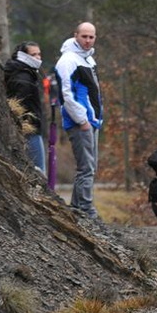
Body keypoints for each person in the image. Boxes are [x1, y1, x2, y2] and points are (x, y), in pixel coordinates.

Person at [55, 22, 101, 219]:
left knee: (90, 165)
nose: (88, 40)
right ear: (76, 35)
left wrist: (95, 119)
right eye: (84, 36)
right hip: (79, 122)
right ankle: (86, 209)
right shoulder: (68, 61)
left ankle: (77, 207)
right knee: (86, 167)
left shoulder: (88, 59)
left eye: (91, 37)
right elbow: (66, 95)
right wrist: (82, 120)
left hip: (91, 120)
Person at [4, 41, 46, 175]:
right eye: (34, 54)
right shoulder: (24, 77)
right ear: (24, 56)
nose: (38, 58)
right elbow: (20, 106)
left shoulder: (27, 73)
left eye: (39, 54)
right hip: (29, 130)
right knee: (38, 171)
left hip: (30, 128)